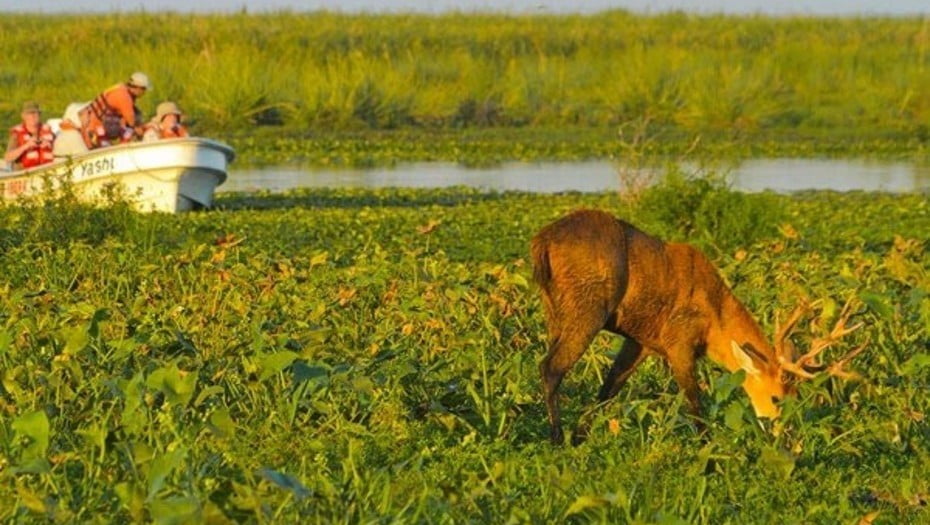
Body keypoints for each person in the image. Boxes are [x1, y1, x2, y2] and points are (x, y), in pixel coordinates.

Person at [79, 71, 150, 149]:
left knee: (130, 121)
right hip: (95, 129)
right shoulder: (124, 97)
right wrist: (139, 130)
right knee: (130, 129)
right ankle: (123, 146)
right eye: (144, 90)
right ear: (138, 88)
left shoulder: (121, 89)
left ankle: (118, 144)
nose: (144, 93)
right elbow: (131, 121)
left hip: (96, 125)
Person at [4, 101, 55, 170]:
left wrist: (49, 145)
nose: (33, 116)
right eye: (29, 113)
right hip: (24, 172)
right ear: (23, 116)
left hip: (46, 170)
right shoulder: (16, 135)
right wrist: (26, 146)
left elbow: (60, 152)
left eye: (35, 113)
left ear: (39, 115)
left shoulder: (48, 131)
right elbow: (7, 158)